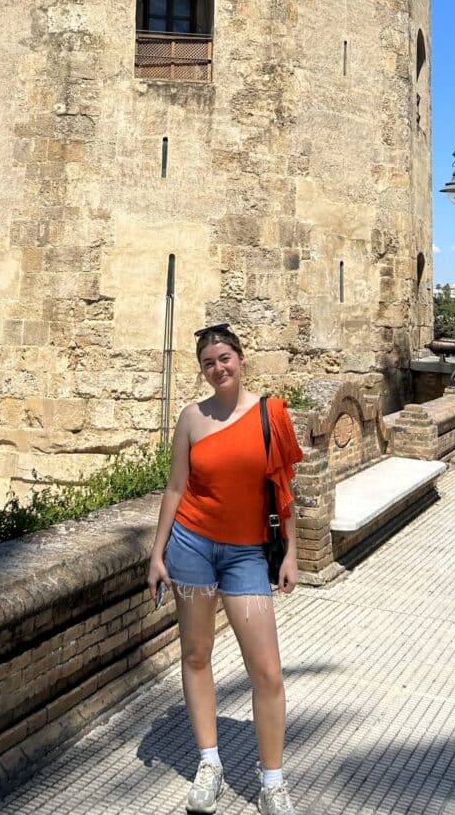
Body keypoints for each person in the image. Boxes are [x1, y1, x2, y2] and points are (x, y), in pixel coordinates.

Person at [148, 324, 303, 815]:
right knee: (196, 654)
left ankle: (272, 781)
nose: (219, 368)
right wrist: (157, 553)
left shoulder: (271, 414)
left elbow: (283, 491)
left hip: (246, 556)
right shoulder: (191, 418)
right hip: (191, 547)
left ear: (240, 358)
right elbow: (175, 489)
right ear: (202, 369)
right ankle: (209, 762)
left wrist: (292, 553)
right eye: (209, 363)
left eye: (225, 358)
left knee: (268, 671)